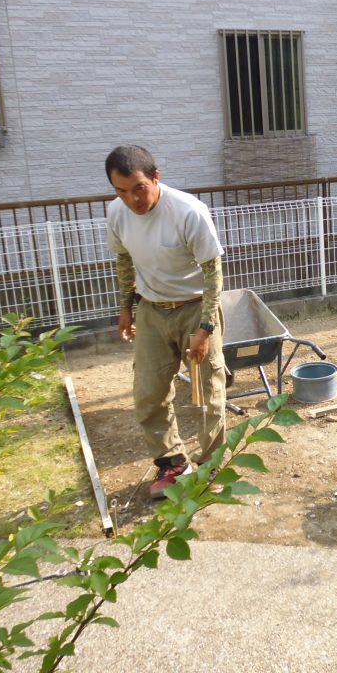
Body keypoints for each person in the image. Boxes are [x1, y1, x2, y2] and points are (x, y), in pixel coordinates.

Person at [104, 144, 227, 499]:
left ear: (156, 177)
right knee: (149, 393)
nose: (132, 199)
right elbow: (125, 261)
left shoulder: (188, 211)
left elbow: (213, 272)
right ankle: (173, 464)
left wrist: (204, 329)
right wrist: (126, 307)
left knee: (208, 394)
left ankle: (211, 467)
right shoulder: (117, 212)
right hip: (152, 309)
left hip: (195, 308)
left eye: (139, 188)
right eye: (121, 191)